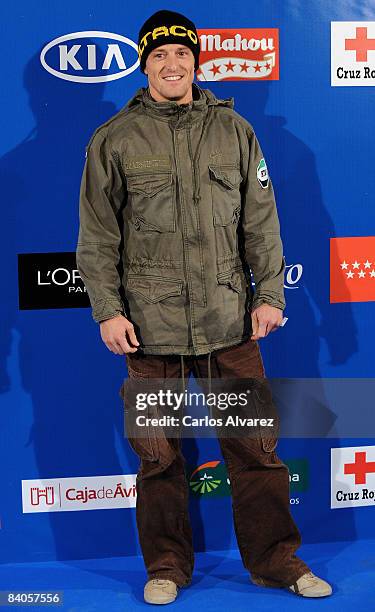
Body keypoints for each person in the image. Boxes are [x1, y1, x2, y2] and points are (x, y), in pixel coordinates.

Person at [76, 9, 332, 605]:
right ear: (145, 64)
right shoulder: (114, 138)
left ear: (197, 61)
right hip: (149, 326)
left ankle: (276, 563)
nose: (172, 65)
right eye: (159, 56)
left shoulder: (235, 133)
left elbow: (261, 224)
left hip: (229, 320)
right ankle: (166, 566)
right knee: (158, 457)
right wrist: (108, 311)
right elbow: (97, 237)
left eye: (182, 55)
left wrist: (269, 295)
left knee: (255, 451)